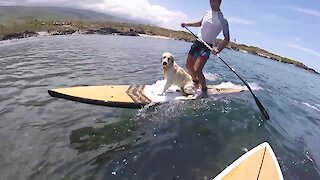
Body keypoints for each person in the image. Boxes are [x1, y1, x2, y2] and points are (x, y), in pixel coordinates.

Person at [181, 0, 230, 98]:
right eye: (210, 1)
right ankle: (195, 82)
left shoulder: (223, 20)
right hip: (197, 43)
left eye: (214, 1)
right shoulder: (206, 13)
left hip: (207, 47)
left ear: (219, 2)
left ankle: (204, 90)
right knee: (189, 66)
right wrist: (187, 24)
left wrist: (218, 49)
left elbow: (227, 38)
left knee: (197, 69)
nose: (211, 3)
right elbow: (200, 23)